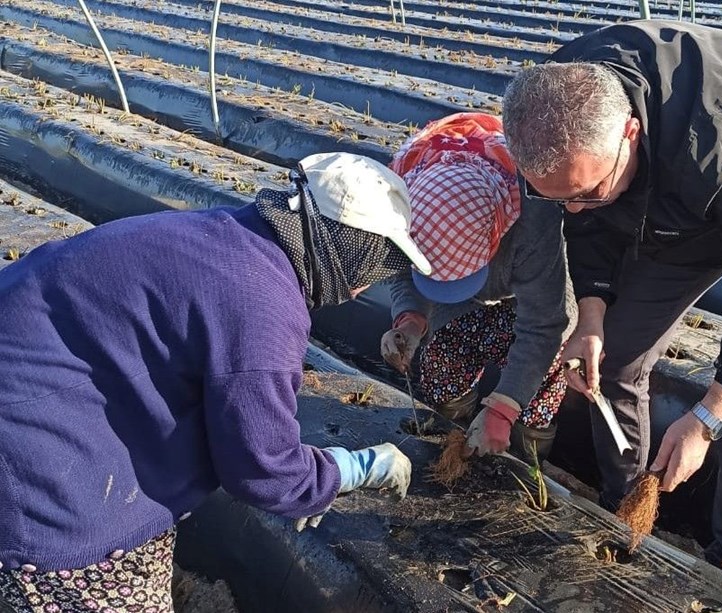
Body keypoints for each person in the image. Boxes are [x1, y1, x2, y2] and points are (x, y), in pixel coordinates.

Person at [502, 21, 722, 582]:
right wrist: (591, 311)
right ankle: (626, 510)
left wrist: (708, 417)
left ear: (629, 132)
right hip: (668, 205)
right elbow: (585, 216)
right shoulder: (558, 98)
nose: (571, 210)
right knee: (614, 360)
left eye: (589, 192)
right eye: (556, 197)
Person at [0, 153, 431, 612]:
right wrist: (352, 469)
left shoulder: (227, 234)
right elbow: (262, 468)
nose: (360, 289)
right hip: (37, 461)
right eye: (372, 265)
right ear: (349, 247)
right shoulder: (263, 308)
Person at [379, 112, 572, 463]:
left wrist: (504, 407)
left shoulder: (534, 213)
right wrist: (409, 319)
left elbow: (543, 324)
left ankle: (525, 462)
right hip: (463, 304)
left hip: (526, 298)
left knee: (542, 379)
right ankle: (458, 444)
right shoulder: (402, 193)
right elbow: (402, 268)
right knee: (441, 363)